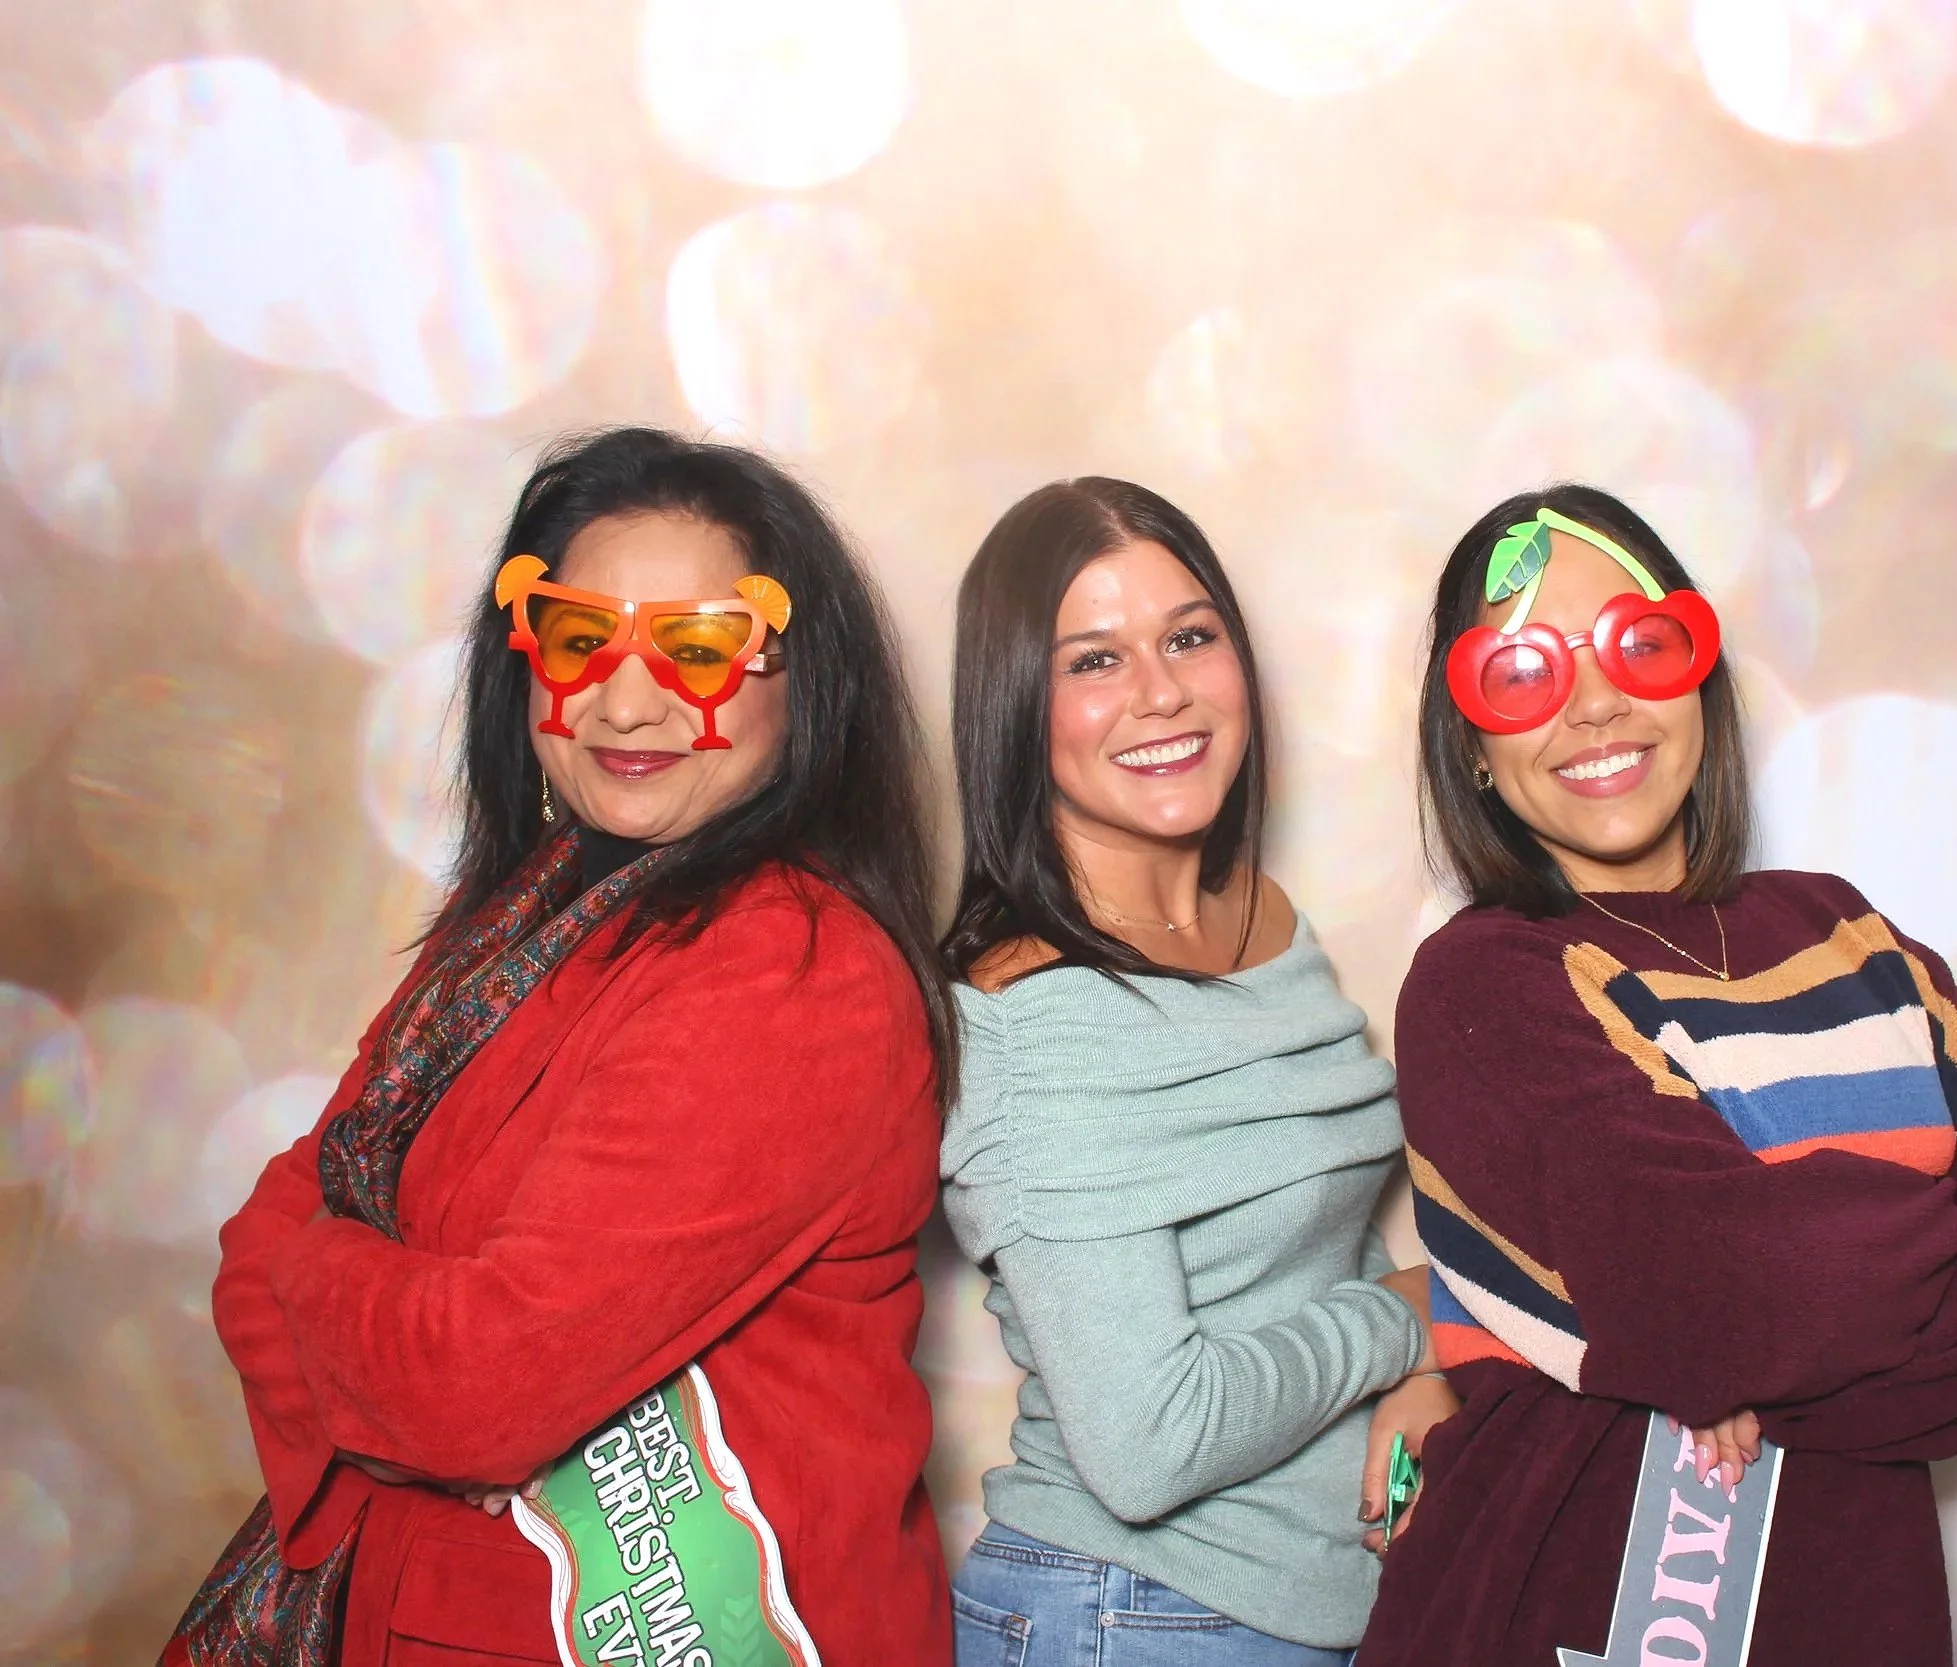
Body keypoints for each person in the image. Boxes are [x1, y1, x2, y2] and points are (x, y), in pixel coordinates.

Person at [166, 428, 955, 1666]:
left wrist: (327, 1288)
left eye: (697, 648)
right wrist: (377, 1337)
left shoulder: (796, 970)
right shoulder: (524, 917)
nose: (625, 701)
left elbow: (464, 1386)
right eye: (583, 637)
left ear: (803, 682)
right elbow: (257, 1240)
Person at [1359, 484, 1957, 1665]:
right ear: (1470, 745)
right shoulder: (1481, 981)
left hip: (1857, 1604)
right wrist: (1888, 1236)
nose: (1596, 703)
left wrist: (1769, 1377)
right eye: (1524, 674)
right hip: (1548, 1600)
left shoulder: (1845, 933)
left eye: (1637, 645)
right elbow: (1713, 1280)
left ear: (1697, 678)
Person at [938, 477, 1455, 1667]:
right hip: (1124, 1616)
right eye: (1092, 661)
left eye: (1187, 636)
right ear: (1016, 705)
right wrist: (1410, 1318)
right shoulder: (1034, 1020)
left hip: (1296, 1606)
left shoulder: (1265, 922)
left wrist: (1422, 1375)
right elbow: (1148, 1444)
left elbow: (1311, 1239)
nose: (1161, 691)